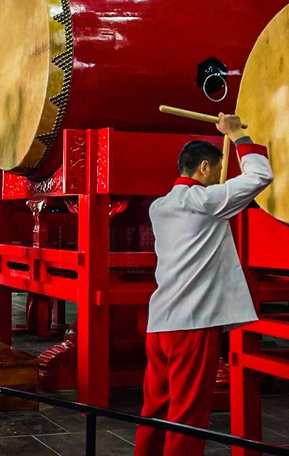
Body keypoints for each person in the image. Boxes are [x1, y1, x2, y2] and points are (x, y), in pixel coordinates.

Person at [134, 114, 273, 456]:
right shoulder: (204, 202)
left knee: (156, 409)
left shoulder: (160, 206)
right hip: (192, 325)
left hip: (161, 323)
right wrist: (238, 134)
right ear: (206, 169)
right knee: (187, 415)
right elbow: (261, 175)